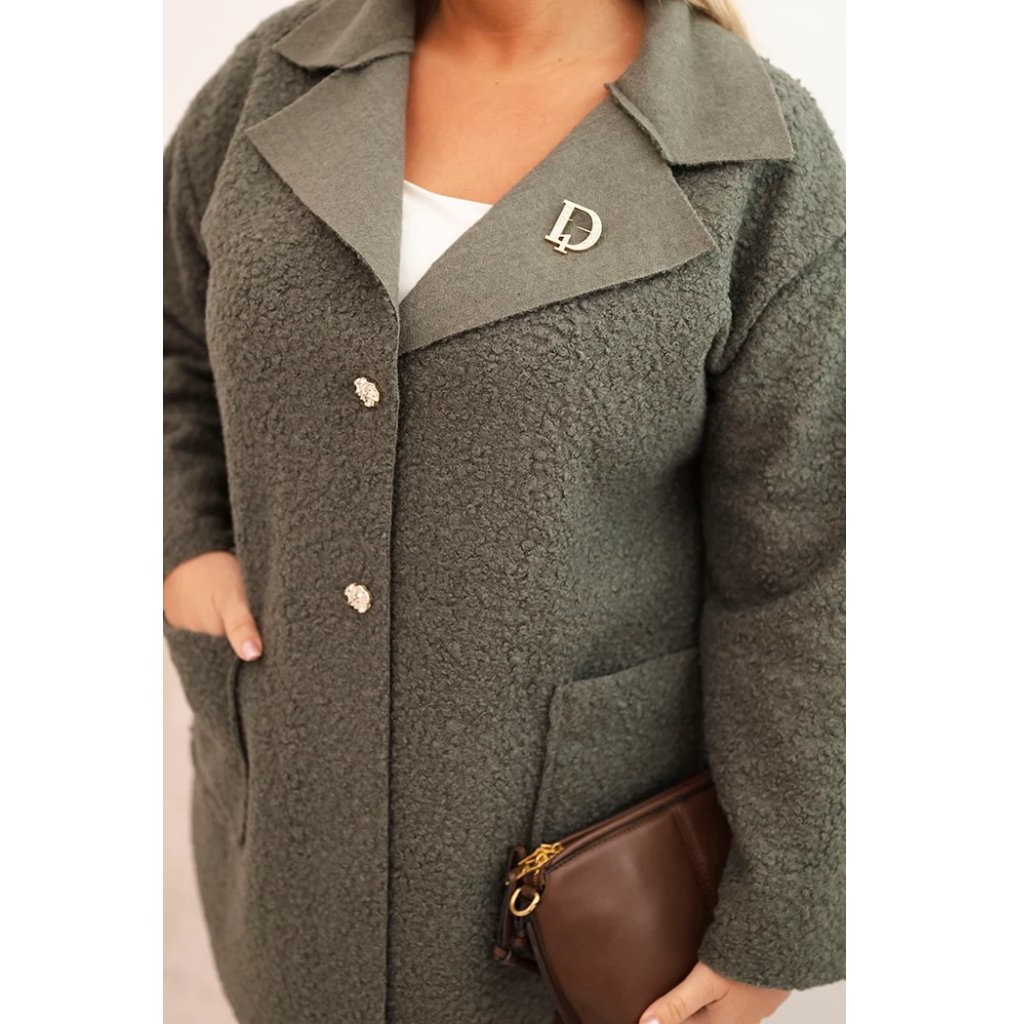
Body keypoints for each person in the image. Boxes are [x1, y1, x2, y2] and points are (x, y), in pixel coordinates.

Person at [162, 0, 845, 1021]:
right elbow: (161, 333)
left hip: (571, 905)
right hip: (285, 865)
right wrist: (184, 534)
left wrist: (777, 920)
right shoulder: (275, 76)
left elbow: (809, 571)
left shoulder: (760, 158)